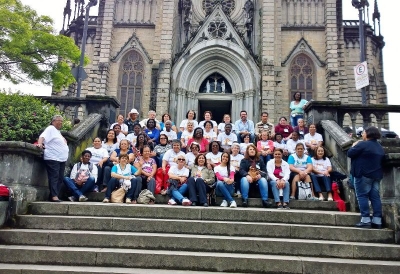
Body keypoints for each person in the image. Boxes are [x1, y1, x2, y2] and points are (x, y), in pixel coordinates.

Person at [347, 126, 385, 229]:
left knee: (362, 196)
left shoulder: (362, 144)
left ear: (368, 133)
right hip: (376, 175)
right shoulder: (379, 146)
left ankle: (366, 220)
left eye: (363, 132)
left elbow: (349, 153)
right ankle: (377, 221)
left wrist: (354, 145)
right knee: (375, 197)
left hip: (363, 174)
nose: (362, 134)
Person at [36, 115, 69, 202]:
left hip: (61, 158)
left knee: (60, 177)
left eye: (62, 121)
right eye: (59, 121)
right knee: (54, 177)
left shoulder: (57, 132)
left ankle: (54, 195)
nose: (61, 123)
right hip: (53, 157)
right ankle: (54, 196)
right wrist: (40, 143)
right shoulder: (50, 128)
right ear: (53, 121)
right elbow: (42, 136)